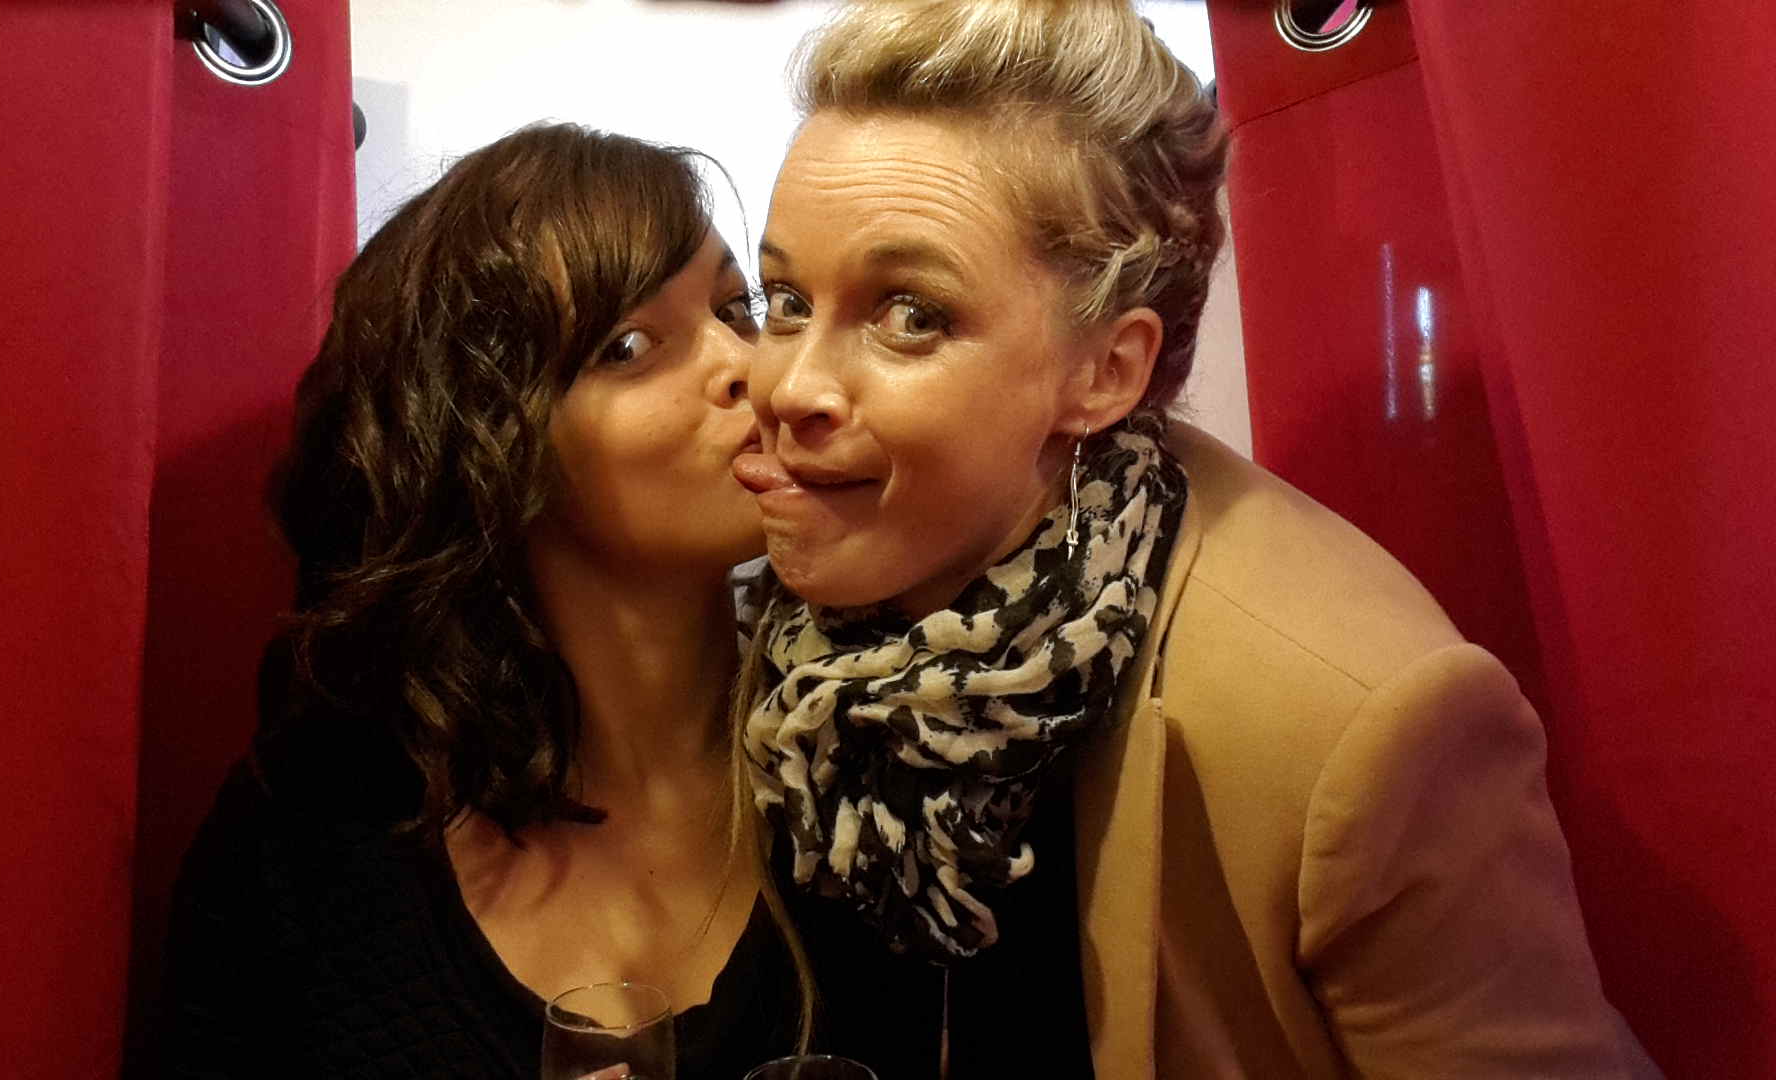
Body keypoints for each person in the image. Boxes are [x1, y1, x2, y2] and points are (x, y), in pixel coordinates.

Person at [733, 2, 1662, 1076]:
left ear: (1105, 373)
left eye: (911, 314)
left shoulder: (1352, 729)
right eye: (785, 299)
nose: (788, 385)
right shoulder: (792, 618)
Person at [141, 123, 815, 1079]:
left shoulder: (876, 766)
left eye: (737, 308)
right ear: (491, 448)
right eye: (629, 346)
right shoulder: (317, 833)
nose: (751, 367)